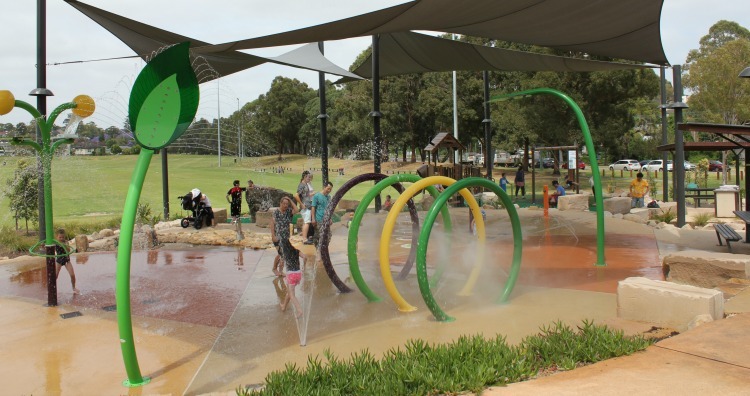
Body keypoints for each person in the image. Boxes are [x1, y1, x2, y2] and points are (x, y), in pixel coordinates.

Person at [271, 196, 302, 317]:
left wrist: (290, 199)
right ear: (280, 203)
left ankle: (280, 270)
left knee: (283, 255)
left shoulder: (289, 211)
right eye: (284, 204)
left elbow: (297, 210)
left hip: (286, 238)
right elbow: (272, 224)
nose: (285, 206)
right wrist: (273, 235)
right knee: (281, 254)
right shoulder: (277, 212)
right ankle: (276, 268)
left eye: (286, 204)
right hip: (278, 238)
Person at [54, 229, 79, 295]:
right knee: (55, 275)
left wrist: (65, 245)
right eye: (60, 237)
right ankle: (52, 288)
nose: (61, 238)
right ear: (57, 237)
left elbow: (68, 250)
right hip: (59, 260)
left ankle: (74, 287)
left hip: (66, 260)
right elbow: (49, 248)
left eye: (63, 237)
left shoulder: (66, 242)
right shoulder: (55, 243)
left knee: (72, 274)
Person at [310, 181, 333, 247]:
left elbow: (329, 209)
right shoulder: (316, 196)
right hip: (319, 219)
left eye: (330, 189)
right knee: (319, 236)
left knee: (328, 235)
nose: (329, 190)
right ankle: (318, 250)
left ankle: (323, 250)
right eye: (328, 188)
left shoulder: (329, 197)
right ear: (324, 187)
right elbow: (313, 207)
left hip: (326, 220)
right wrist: (313, 219)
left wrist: (330, 218)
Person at [295, 171, 314, 244]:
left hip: (308, 206)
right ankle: (304, 239)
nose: (309, 178)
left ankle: (305, 237)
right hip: (305, 207)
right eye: (308, 177)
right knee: (307, 222)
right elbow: (296, 195)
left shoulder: (305, 185)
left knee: (306, 222)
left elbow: (307, 195)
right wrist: (301, 204)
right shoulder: (302, 185)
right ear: (304, 177)